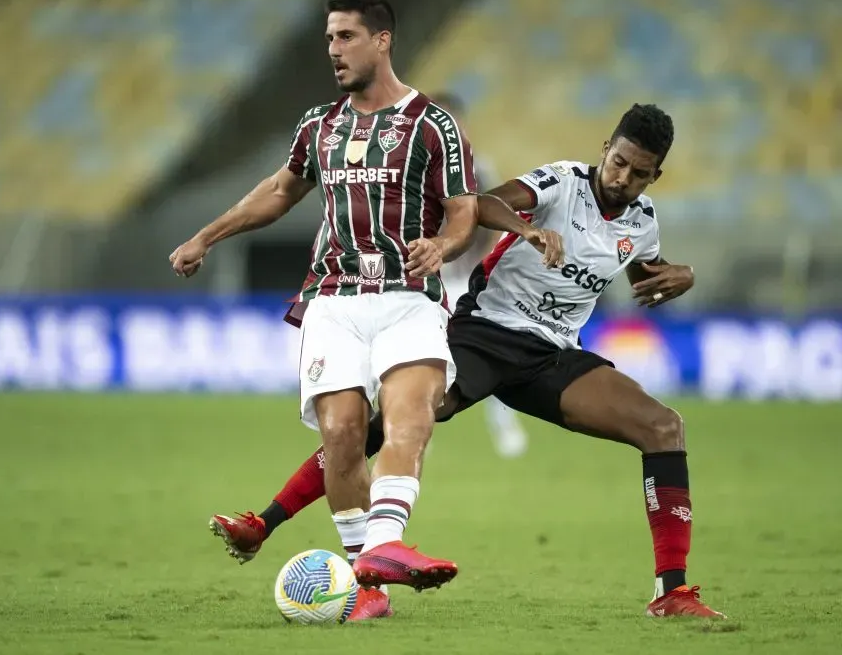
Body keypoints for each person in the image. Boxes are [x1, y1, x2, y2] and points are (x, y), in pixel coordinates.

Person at [210, 104, 726, 619]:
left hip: (550, 354)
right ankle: (265, 523)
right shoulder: (562, 183)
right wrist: (527, 230)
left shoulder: (642, 221)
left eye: (639, 173)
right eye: (618, 162)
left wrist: (681, 277)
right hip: (483, 334)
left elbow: (643, 274)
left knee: (663, 428)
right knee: (390, 425)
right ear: (606, 149)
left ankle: (671, 593)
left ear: (655, 175)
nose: (623, 178)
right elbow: (479, 203)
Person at [174, 0, 559, 621]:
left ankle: (382, 546)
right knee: (343, 436)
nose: (334, 49)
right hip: (334, 300)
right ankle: (370, 583)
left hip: (410, 298)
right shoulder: (319, 126)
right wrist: (205, 237)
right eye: (329, 38)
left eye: (346, 36)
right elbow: (279, 191)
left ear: (382, 41)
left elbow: (463, 209)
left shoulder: (433, 125)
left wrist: (442, 244)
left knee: (411, 418)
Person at [432, 92, 528, 458]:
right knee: (422, 358)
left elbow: (495, 219)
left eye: (453, 122)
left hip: (470, 279)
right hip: (430, 281)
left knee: (489, 354)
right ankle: (414, 430)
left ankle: (504, 424)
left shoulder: (479, 169)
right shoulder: (415, 168)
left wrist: (487, 267)